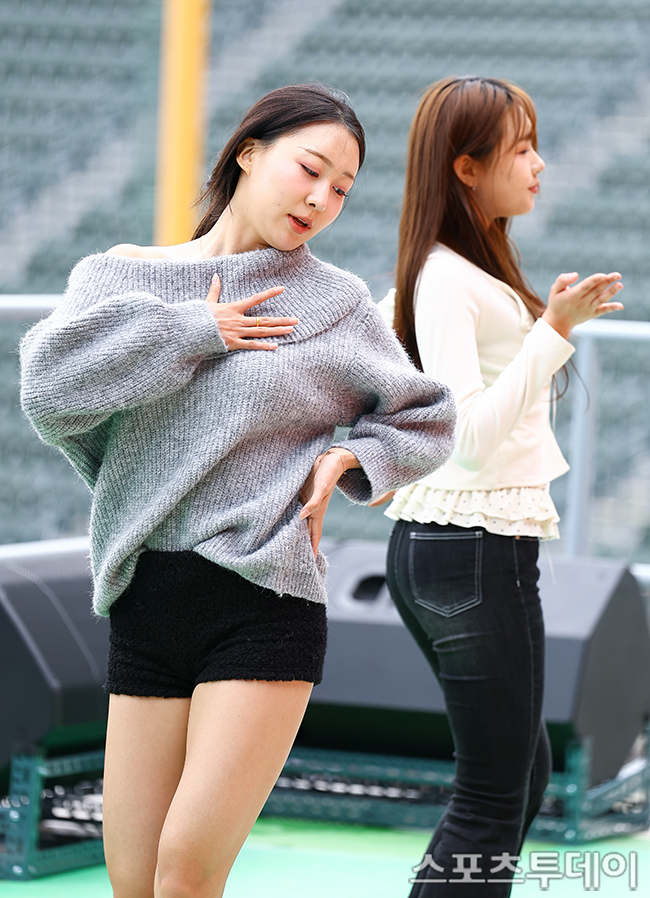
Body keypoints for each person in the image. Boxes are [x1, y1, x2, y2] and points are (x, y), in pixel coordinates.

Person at [19, 83, 455, 898]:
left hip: (265, 598)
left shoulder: (335, 303)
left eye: (342, 189)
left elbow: (426, 416)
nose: (321, 199)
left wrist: (348, 459)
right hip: (145, 597)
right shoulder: (118, 275)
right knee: (132, 880)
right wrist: (197, 331)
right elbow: (49, 387)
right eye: (311, 170)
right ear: (249, 153)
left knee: (185, 874)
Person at [377, 76, 623, 897]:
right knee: (492, 793)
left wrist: (547, 329)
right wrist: (552, 333)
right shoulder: (447, 277)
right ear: (467, 167)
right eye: (522, 148)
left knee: (518, 774)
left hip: (462, 551)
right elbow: (469, 436)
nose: (539, 164)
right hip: (471, 552)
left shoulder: (459, 269)